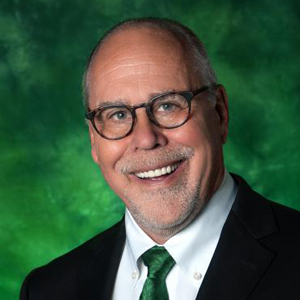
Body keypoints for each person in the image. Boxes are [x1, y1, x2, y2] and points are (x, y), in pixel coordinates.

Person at [20, 17, 300, 300]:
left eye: (168, 105)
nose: (146, 139)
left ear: (219, 114)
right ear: (94, 140)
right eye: (117, 115)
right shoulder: (47, 289)